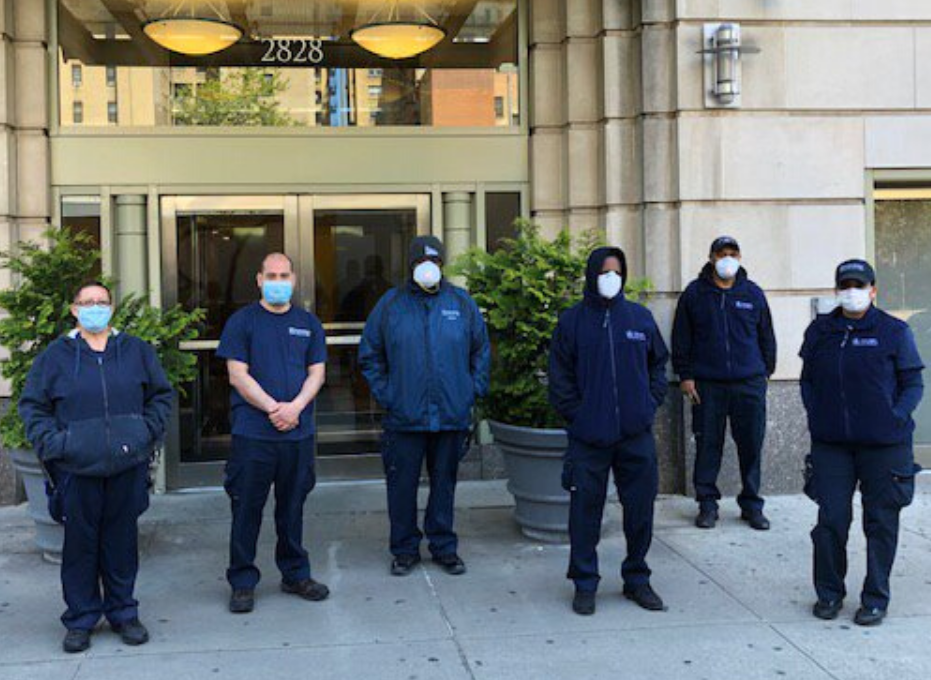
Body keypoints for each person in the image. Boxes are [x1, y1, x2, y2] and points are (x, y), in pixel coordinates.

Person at [19, 281, 173, 653]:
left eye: (101, 302)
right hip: (76, 468)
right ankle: (81, 618)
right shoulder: (55, 356)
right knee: (80, 547)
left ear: (112, 307)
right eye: (87, 303)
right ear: (74, 310)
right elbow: (33, 406)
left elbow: (160, 396)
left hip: (126, 463)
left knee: (121, 543)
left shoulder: (135, 350)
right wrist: (58, 444)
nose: (94, 308)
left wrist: (144, 433)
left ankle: (123, 613)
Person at [800, 259, 924, 626]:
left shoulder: (894, 332)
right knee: (831, 521)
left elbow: (913, 383)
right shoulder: (821, 331)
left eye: (859, 284)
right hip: (833, 445)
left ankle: (875, 598)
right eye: (845, 284)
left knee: (881, 523)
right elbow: (807, 380)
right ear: (838, 290)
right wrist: (816, 414)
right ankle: (829, 592)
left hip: (885, 446)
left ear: (873, 290)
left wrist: (895, 416)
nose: (852, 291)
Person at [359, 236, 490, 577]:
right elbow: (370, 354)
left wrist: (470, 392)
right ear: (411, 265)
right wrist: (388, 395)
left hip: (450, 415)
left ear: (442, 264)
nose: (427, 267)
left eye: (433, 261)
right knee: (401, 488)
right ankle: (404, 550)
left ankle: (443, 546)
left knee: (444, 485)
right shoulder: (390, 304)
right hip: (404, 418)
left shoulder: (461, 303)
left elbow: (481, 352)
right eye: (420, 262)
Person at [549, 247, 669, 616]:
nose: (611, 278)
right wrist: (579, 416)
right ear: (591, 275)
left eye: (617, 271)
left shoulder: (640, 318)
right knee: (585, 513)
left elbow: (658, 365)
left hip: (635, 435)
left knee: (640, 511)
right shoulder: (572, 322)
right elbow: (560, 378)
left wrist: (648, 404)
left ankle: (637, 578)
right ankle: (585, 583)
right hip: (589, 437)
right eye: (604, 271)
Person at [216, 253, 329, 614]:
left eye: (284, 275)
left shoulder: (308, 323)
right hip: (254, 435)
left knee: (292, 507)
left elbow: (317, 373)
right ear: (259, 279)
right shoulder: (242, 321)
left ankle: (295, 573)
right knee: (246, 507)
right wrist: (273, 408)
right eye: (271, 275)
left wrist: (294, 408)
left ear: (294, 280)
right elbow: (237, 375)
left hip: (297, 435)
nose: (278, 280)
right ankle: (243, 581)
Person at [671, 236, 776, 530]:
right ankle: (707, 505)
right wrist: (686, 376)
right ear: (711, 257)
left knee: (751, 445)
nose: (727, 258)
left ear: (740, 258)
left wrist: (764, 372)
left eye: (732, 253)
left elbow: (767, 336)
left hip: (749, 384)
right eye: (721, 253)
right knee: (708, 445)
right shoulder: (694, 294)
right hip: (707, 385)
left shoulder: (753, 294)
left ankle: (752, 504)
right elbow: (681, 339)